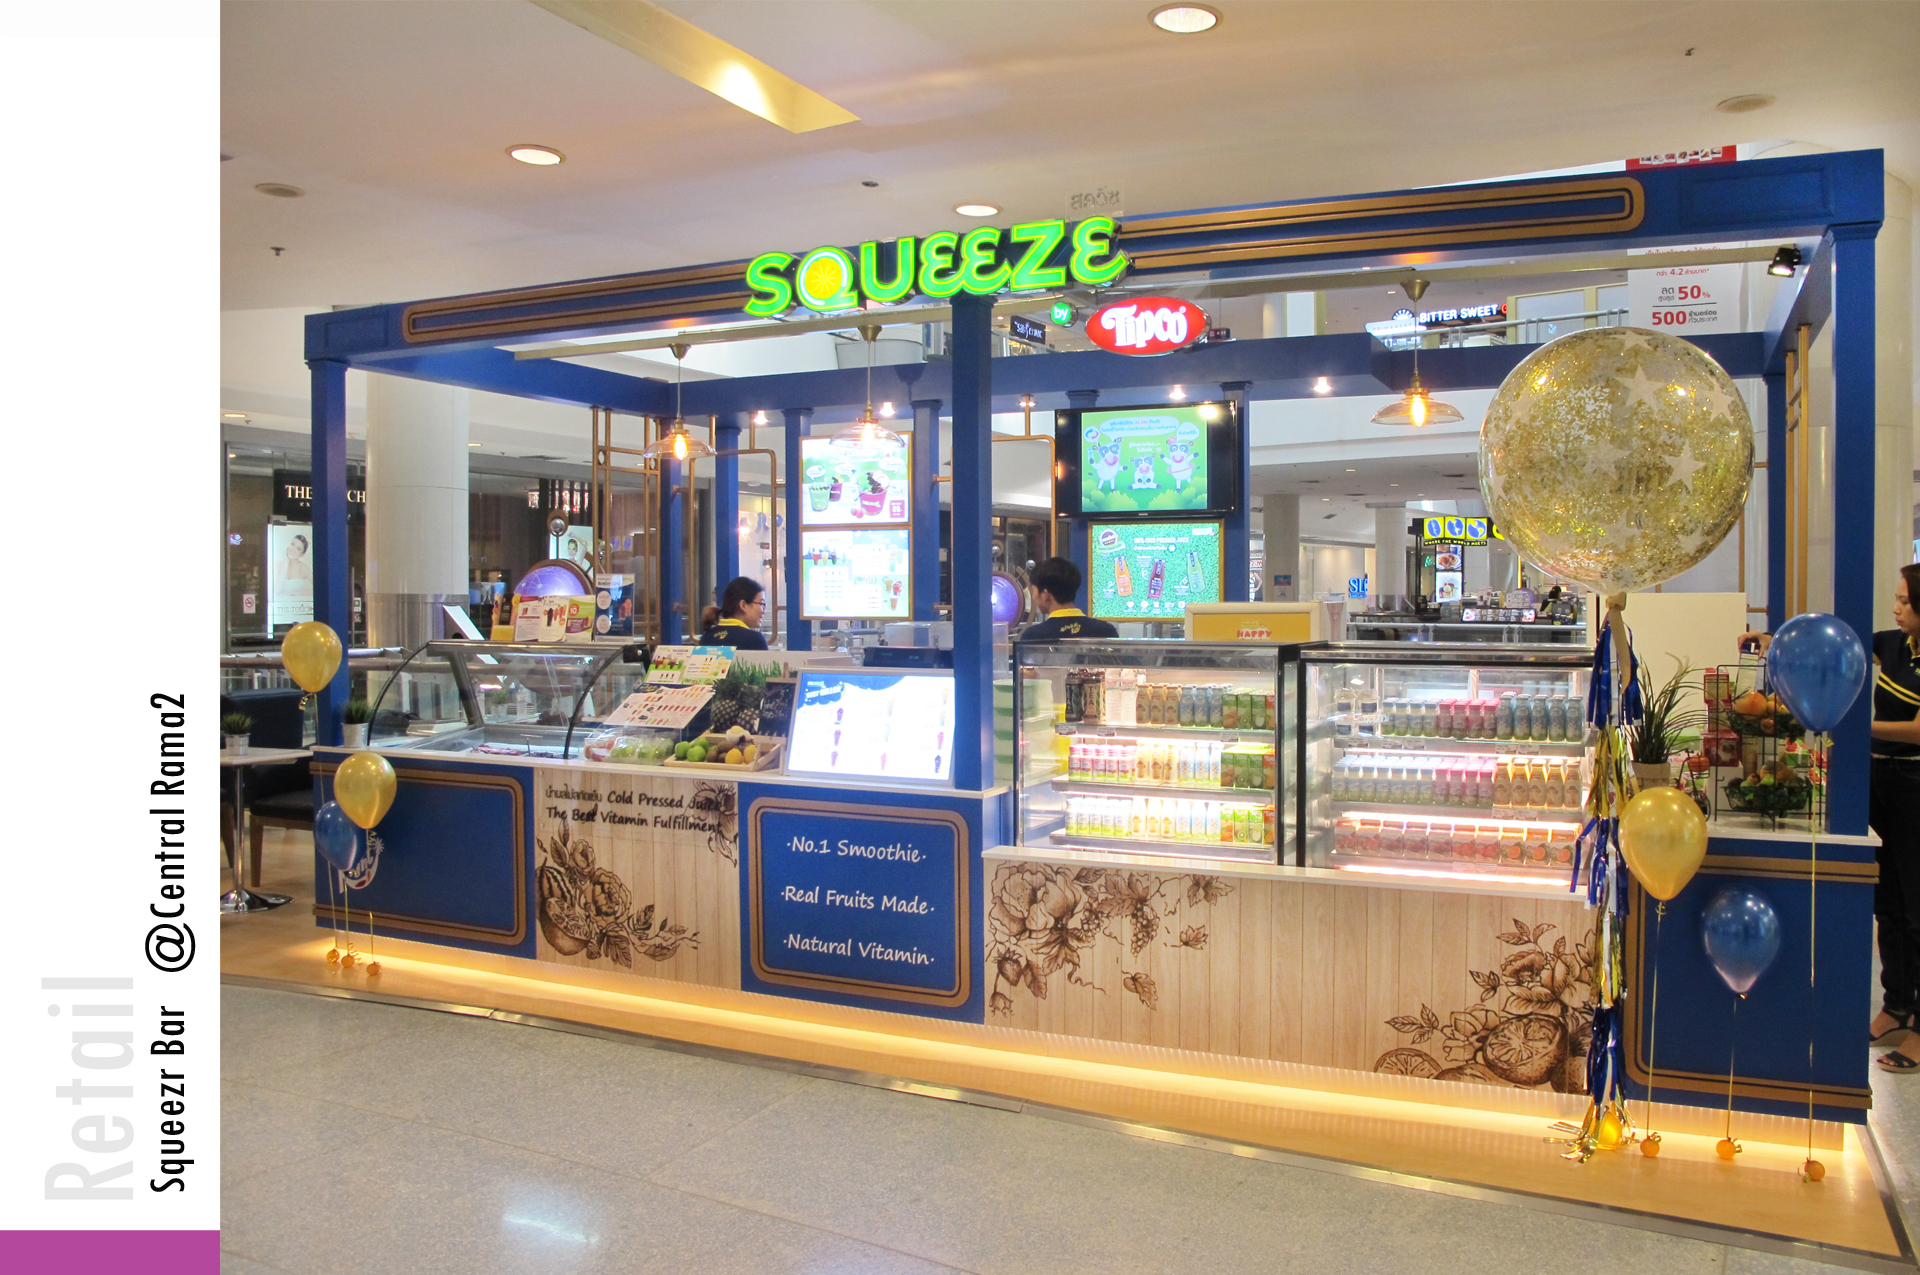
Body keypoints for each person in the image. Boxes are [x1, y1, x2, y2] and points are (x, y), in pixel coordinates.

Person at [1871, 563, 1920, 1072]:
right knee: (1887, 902)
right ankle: (1896, 1005)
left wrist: (1864, 727)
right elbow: (1845, 646)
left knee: (1916, 907)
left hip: (1914, 784)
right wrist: (1772, 638)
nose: (1896, 608)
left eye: (1905, 601)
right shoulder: (1897, 644)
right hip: (1881, 780)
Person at [1021, 557, 1118, 641]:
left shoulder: (1033, 637)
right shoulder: (1106, 631)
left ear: (1045, 594)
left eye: (1033, 590)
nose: (1033, 596)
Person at [699, 576, 769, 650]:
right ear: (743, 605)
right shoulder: (755, 639)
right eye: (761, 604)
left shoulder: (706, 637)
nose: (764, 611)